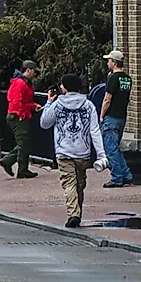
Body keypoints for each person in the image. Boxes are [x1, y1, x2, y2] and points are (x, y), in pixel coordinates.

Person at [39, 72, 103, 228]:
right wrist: (101, 153)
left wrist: (48, 102)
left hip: (64, 150)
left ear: (65, 87)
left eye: (62, 85)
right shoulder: (88, 105)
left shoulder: (58, 104)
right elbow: (95, 130)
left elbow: (44, 123)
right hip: (83, 151)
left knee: (69, 183)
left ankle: (74, 214)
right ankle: (76, 213)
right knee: (79, 184)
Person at [96, 52, 135, 187]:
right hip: (122, 117)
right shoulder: (128, 79)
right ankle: (126, 174)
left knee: (110, 149)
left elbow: (108, 98)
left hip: (111, 117)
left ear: (114, 62)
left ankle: (116, 178)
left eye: (109, 61)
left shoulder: (113, 78)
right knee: (116, 148)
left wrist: (101, 114)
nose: (108, 63)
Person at [3, 62, 40, 177]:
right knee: (24, 142)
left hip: (19, 114)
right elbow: (16, 101)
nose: (35, 74)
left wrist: (33, 106)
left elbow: (24, 102)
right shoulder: (20, 83)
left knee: (24, 142)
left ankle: (8, 161)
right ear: (28, 70)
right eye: (34, 71)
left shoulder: (23, 83)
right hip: (17, 116)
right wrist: (21, 114)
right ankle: (21, 169)